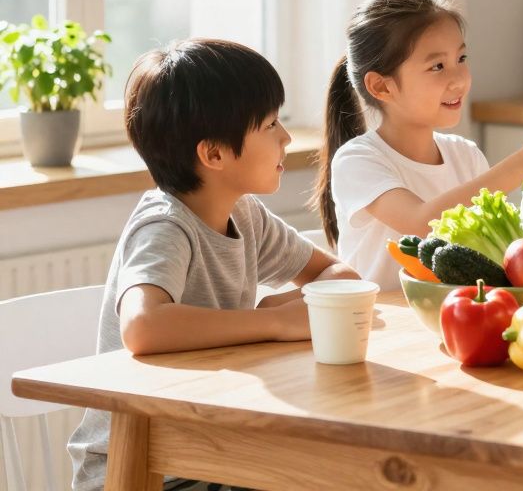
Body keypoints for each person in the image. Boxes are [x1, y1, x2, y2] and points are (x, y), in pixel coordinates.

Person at [68, 39, 360, 491]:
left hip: (210, 451)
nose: (285, 137)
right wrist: (274, 324)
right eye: (270, 124)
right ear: (215, 154)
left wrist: (277, 311)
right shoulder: (165, 227)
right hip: (139, 467)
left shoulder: (245, 214)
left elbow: (339, 275)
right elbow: (143, 328)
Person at [315, 0, 523, 289]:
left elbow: (501, 251)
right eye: (437, 66)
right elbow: (422, 224)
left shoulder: (465, 155)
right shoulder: (357, 160)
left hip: (454, 318)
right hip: (386, 329)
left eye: (462, 59)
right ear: (382, 86)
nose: (459, 79)